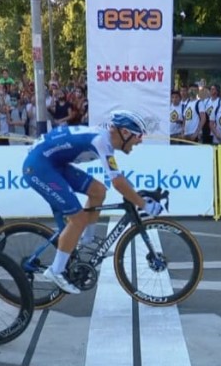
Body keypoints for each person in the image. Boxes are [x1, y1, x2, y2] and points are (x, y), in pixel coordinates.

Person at [22, 109, 163, 294]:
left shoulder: (105, 139)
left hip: (53, 163)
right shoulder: (101, 140)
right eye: (138, 136)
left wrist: (136, 195)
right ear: (125, 132)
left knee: (98, 191)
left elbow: (118, 178)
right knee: (78, 219)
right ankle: (56, 271)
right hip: (39, 167)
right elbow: (117, 183)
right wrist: (143, 204)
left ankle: (86, 240)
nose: (140, 141)